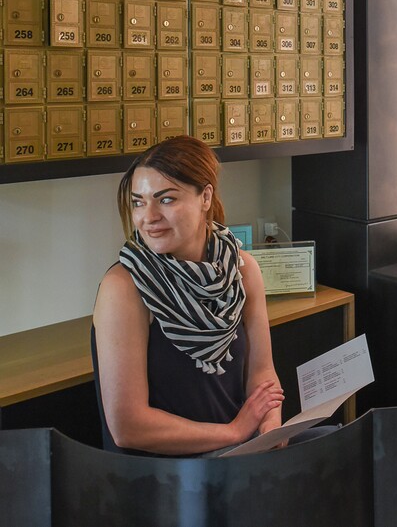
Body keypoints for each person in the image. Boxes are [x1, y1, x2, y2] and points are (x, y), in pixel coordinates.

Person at [92, 135, 285, 455]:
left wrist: (270, 427)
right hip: (164, 477)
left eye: (165, 199)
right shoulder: (124, 287)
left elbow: (263, 374)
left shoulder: (243, 269)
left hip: (237, 453)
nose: (148, 216)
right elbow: (128, 427)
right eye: (138, 201)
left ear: (205, 197)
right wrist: (235, 431)